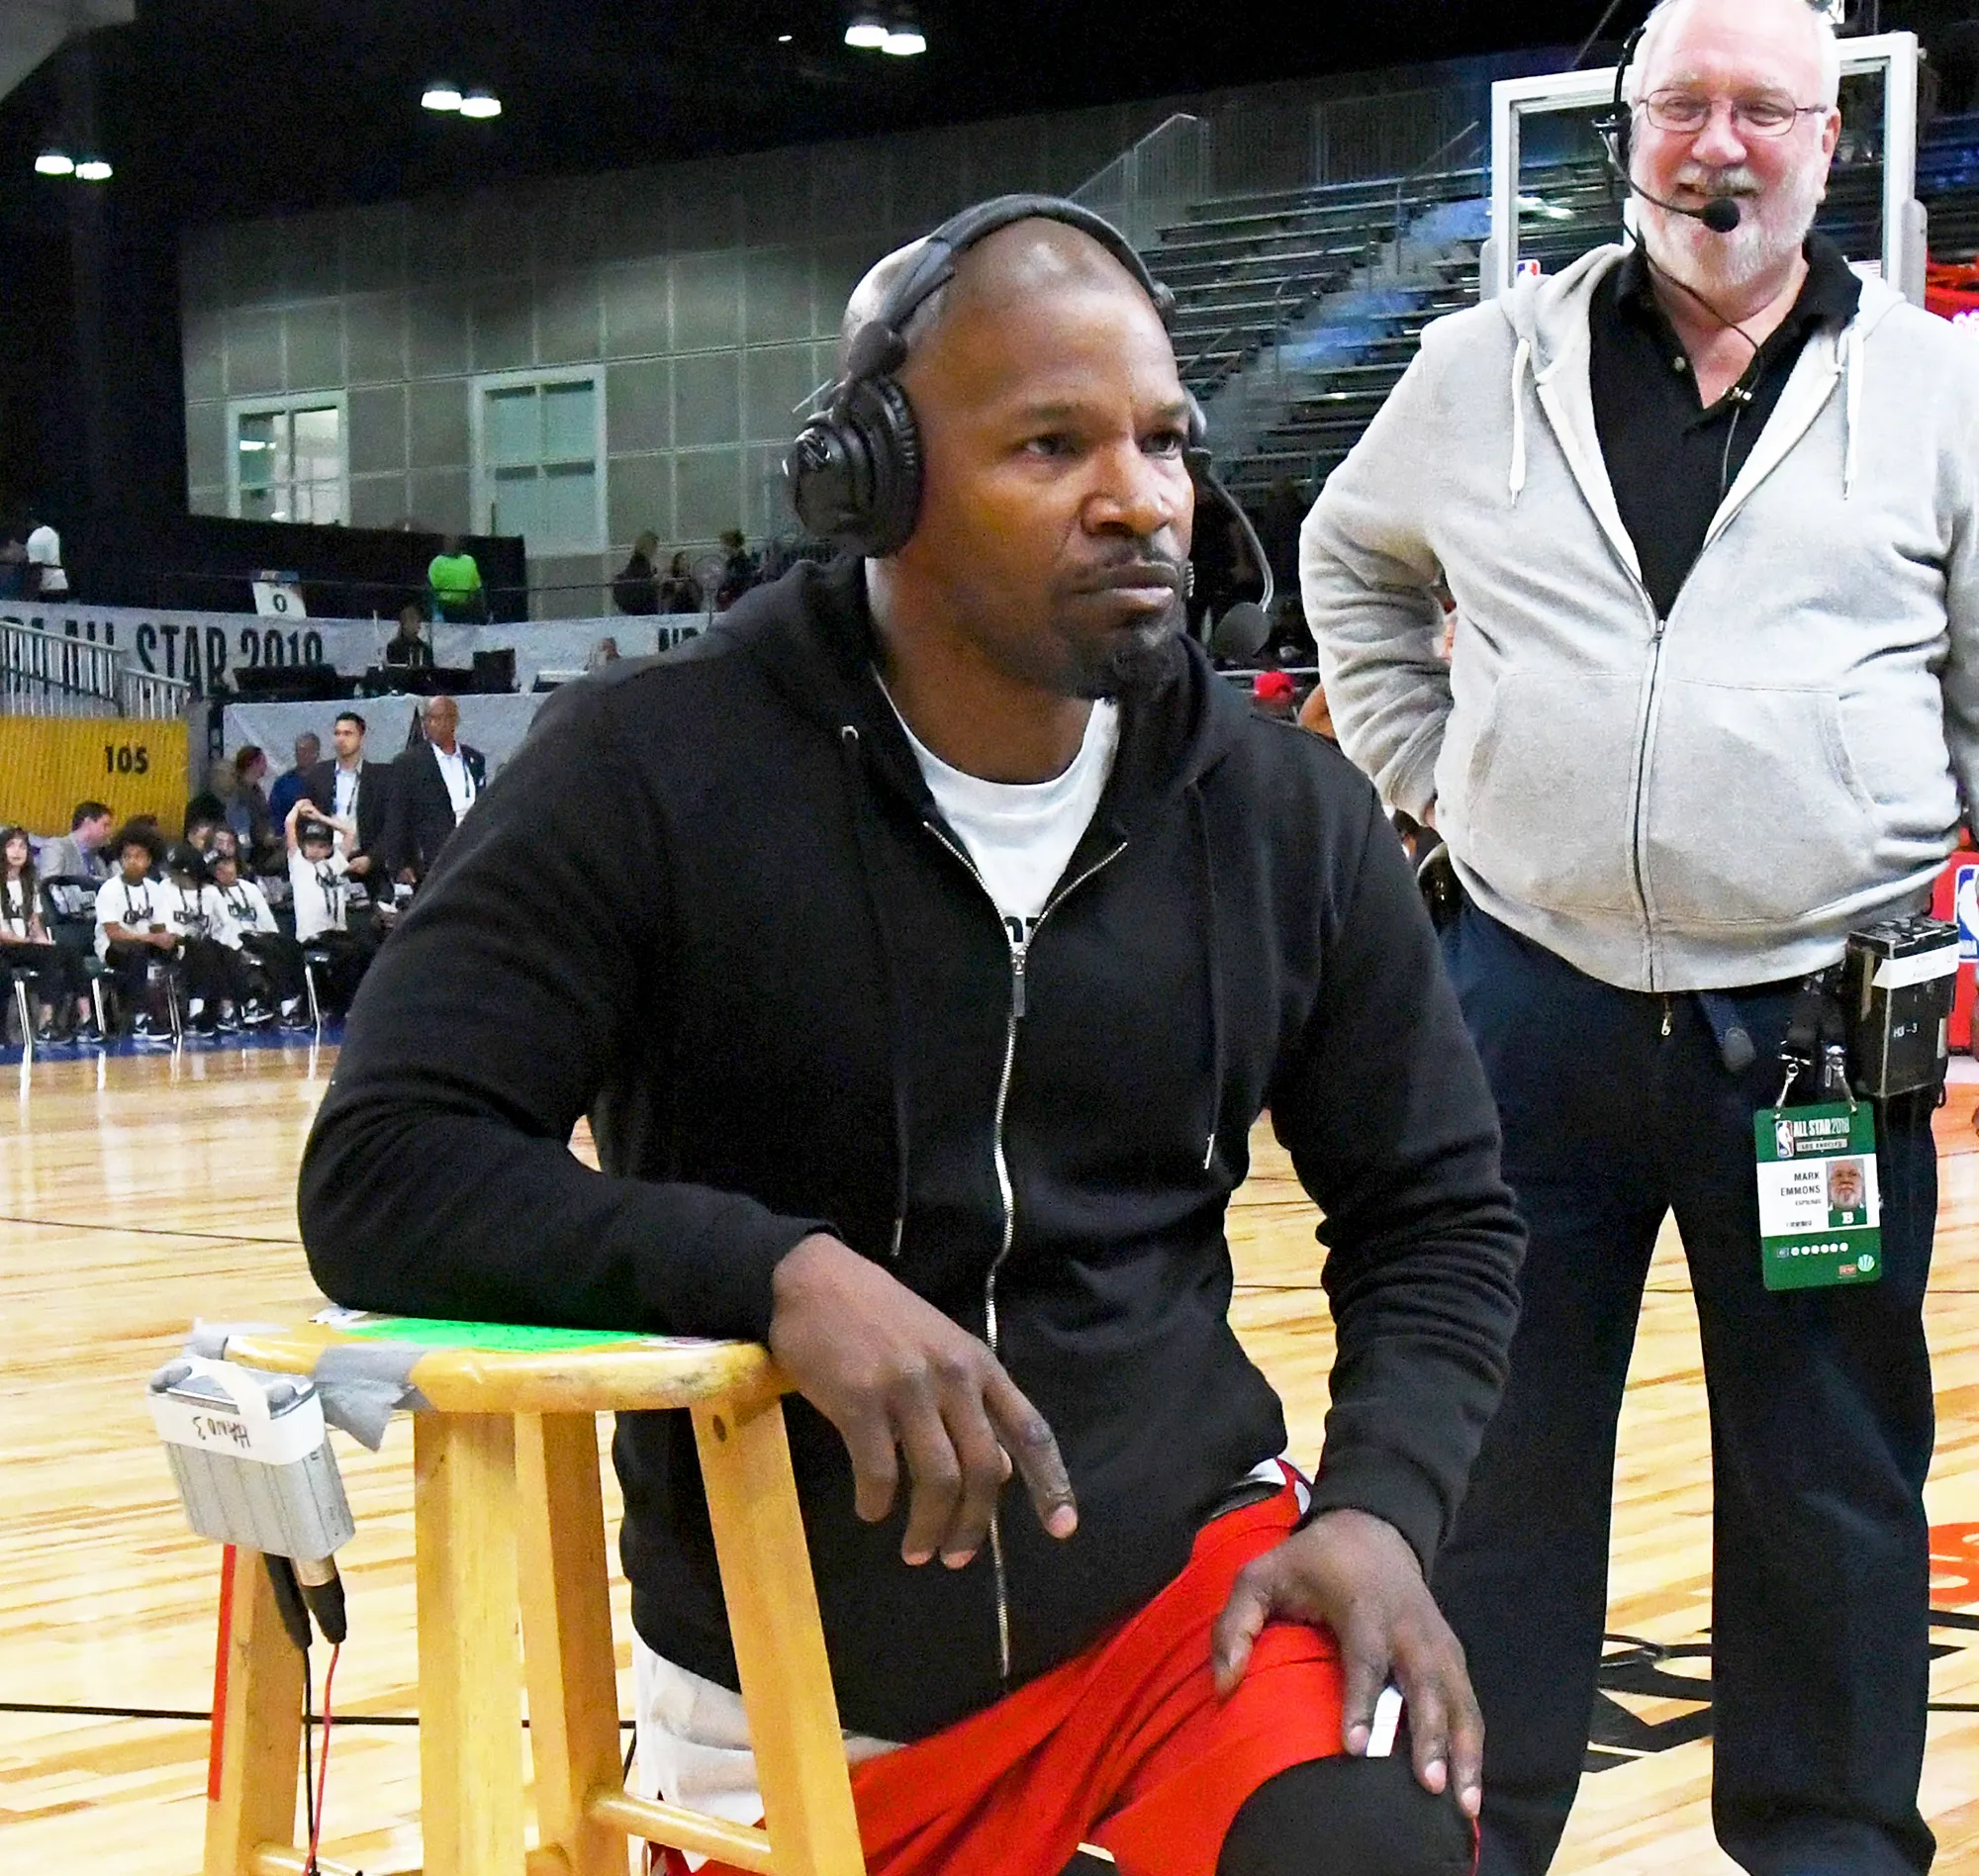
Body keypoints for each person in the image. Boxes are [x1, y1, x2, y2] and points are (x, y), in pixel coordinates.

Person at [300, 199, 1526, 1876]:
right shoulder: (647, 774)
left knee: (1369, 1846)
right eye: (1052, 444)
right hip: (784, 1701)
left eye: (1164, 443)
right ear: (869, 480)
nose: (1142, 500)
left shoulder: (1279, 812)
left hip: (1184, 1624)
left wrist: (1385, 1501)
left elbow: (1439, 1212)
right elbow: (384, 1167)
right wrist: (773, 1272)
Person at [1299, 4, 1972, 1871]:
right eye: (1683, 106)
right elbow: (1347, 559)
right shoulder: (1478, 361)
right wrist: (1437, 776)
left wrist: (1893, 830)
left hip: (1820, 1027)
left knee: (1830, 1473)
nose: (1719, 149)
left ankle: (1832, 1844)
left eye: (1764, 110)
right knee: (1499, 1452)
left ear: (1830, 144)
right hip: (1523, 998)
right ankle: (1468, 1837)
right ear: (1629, 132)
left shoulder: (1936, 392)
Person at [0, 826, 95, 1044]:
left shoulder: (29, 884)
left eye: (23, 846)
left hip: (24, 944)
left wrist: (43, 940)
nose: (17, 851)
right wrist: (31, 942)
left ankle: (85, 1018)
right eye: (11, 845)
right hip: (6, 945)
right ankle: (45, 1023)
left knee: (66, 951)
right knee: (50, 956)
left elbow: (34, 921)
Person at [285, 799, 376, 1012]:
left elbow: (349, 833)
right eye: (311, 845)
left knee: (368, 948)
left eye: (322, 846)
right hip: (314, 935)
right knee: (348, 952)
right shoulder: (299, 865)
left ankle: (358, 1002)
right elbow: (289, 824)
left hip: (337, 932)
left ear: (328, 849)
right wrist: (298, 807)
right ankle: (341, 1003)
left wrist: (319, 817)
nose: (315, 850)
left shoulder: (334, 864)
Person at [382, 696, 485, 884]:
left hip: (471, 853)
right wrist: (399, 864)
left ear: (454, 720)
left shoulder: (474, 759)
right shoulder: (408, 763)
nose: (431, 724)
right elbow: (396, 816)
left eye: (438, 718)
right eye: (427, 719)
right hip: (430, 860)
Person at [94, 823, 179, 1045]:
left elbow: (159, 928)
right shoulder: (109, 889)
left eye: (138, 856)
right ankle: (139, 1018)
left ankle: (194, 1012)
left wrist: (168, 940)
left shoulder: (154, 889)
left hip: (143, 943)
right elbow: (114, 933)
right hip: (113, 948)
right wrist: (152, 938)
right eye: (127, 856)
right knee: (138, 953)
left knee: (183, 950)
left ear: (149, 861)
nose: (132, 861)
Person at [206, 845, 302, 1028]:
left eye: (227, 863)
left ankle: (293, 1000)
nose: (225, 870)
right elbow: (223, 926)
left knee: (287, 945)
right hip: (232, 941)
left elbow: (267, 920)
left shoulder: (250, 888)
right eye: (218, 868)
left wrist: (271, 936)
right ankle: (285, 1004)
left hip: (260, 937)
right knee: (266, 948)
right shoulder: (211, 893)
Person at [301, 710, 390, 882]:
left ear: (361, 738)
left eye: (348, 733)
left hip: (363, 859)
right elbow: (303, 818)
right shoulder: (318, 774)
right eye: (337, 733)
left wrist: (372, 858)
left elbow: (390, 826)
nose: (341, 739)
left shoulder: (381, 778)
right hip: (324, 859)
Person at [37, 800, 113, 885]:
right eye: (105, 825)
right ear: (87, 822)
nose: (109, 832)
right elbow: (48, 887)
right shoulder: (56, 847)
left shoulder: (98, 861)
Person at [427, 534, 486, 623]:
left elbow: (477, 589)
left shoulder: (469, 560)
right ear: (444, 543)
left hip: (466, 610)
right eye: (449, 539)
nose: (452, 542)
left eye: (455, 539)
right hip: (444, 611)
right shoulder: (437, 562)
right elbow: (431, 589)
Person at [267, 733, 321, 827]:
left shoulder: (329, 778)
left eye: (305, 750)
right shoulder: (283, 783)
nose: (300, 754)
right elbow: (274, 816)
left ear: (316, 753)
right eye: (298, 750)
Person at [613, 530, 662, 615]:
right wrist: (654, 582)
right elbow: (643, 589)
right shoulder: (641, 566)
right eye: (655, 547)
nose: (655, 551)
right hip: (643, 612)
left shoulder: (639, 565)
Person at [25, 509, 67, 603]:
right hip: (61, 582)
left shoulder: (36, 538)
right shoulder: (52, 532)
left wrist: (30, 597)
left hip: (47, 587)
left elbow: (36, 570)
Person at [714, 527, 759, 609]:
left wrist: (729, 592)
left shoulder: (744, 564)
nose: (723, 548)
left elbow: (743, 583)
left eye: (725, 545)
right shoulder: (729, 564)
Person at [384, 603, 434, 670]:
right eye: (416, 622)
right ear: (405, 623)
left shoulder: (425, 648)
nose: (419, 626)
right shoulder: (393, 647)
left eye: (419, 622)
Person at [658, 549, 703, 614]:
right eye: (683, 559)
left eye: (687, 559)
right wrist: (675, 590)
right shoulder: (669, 582)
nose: (686, 562)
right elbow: (665, 602)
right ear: (677, 564)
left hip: (692, 612)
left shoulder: (694, 581)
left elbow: (699, 599)